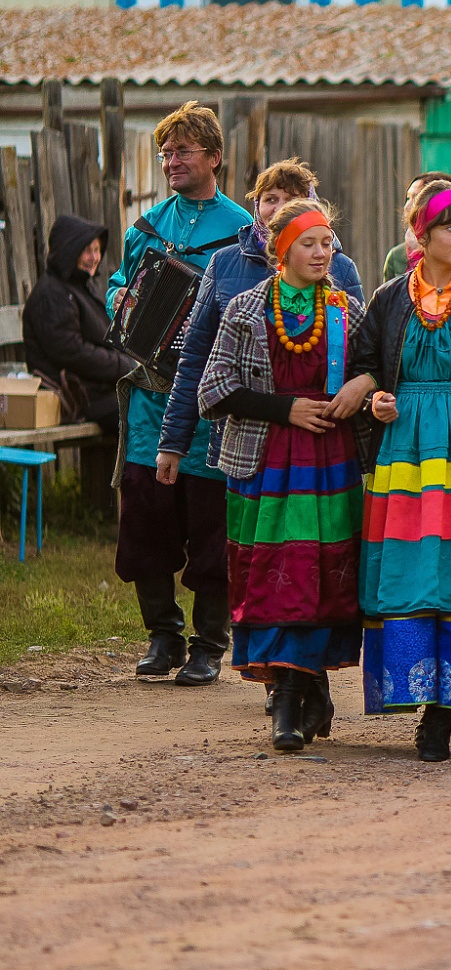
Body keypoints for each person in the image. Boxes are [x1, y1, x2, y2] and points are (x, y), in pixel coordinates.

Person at [335, 181, 451, 762]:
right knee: (412, 576)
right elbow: (366, 366)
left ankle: (444, 712)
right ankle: (416, 693)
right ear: (423, 235)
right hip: (404, 458)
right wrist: (377, 402)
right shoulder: (392, 298)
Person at [195, 200, 363, 753]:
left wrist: (364, 385)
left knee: (321, 572)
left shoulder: (345, 311)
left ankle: (311, 681)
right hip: (264, 463)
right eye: (311, 244)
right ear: (281, 250)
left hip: (330, 464)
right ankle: (286, 698)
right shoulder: (245, 309)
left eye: (329, 243)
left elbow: (378, 371)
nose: (324, 254)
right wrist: (284, 408)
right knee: (274, 576)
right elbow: (212, 390)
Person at [108, 102, 256, 685]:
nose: (171, 161)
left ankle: (209, 643)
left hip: (212, 403)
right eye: (166, 153)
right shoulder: (145, 226)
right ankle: (162, 636)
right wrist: (120, 299)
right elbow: (121, 280)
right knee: (145, 514)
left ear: (214, 157)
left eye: (183, 151)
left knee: (210, 523)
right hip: (150, 394)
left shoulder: (242, 230)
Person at [163, 160, 365, 498]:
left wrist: (367, 383)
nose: (280, 208)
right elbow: (199, 362)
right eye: (271, 198)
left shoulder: (341, 288)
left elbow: (366, 357)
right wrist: (173, 441)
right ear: (256, 206)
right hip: (251, 444)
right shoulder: (236, 287)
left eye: (294, 198)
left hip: (327, 445)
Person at [24, 213, 130, 427]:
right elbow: (72, 353)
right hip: (78, 397)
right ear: (68, 251)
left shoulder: (78, 287)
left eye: (97, 250)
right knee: (144, 415)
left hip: (98, 391)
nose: (94, 258)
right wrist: (123, 365)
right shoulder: (52, 294)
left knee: (159, 403)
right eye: (87, 250)